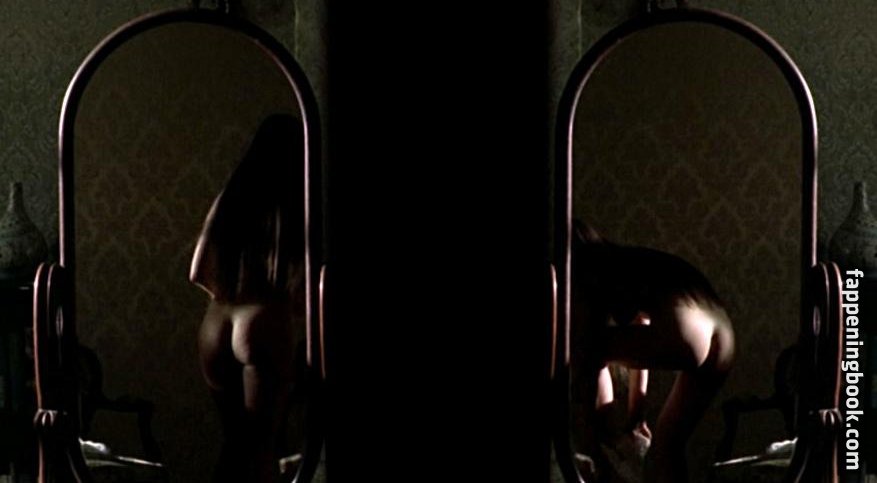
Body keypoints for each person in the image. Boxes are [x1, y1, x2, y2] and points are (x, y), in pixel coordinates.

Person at [570, 219, 735, 483]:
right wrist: (637, 416)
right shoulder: (637, 261)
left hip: (687, 329)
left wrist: (597, 439)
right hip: (724, 337)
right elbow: (642, 322)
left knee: (593, 346)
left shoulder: (599, 273)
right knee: (668, 444)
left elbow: (595, 349)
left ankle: (601, 443)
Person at [190, 114, 306, 483]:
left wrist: (230, 294)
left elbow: (197, 271)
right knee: (261, 451)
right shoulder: (293, 198)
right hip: (262, 319)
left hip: (216, 323)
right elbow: (300, 288)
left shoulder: (232, 196)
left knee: (233, 445)